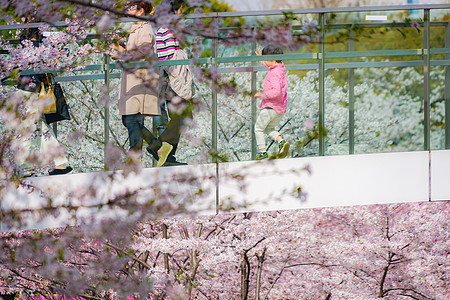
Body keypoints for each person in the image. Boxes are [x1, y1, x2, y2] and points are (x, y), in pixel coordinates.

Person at [114, 1, 170, 162]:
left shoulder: (145, 29)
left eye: (132, 8)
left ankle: (136, 156)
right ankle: (157, 147)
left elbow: (143, 51)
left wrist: (122, 55)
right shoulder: (136, 28)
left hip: (141, 80)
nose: (128, 11)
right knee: (129, 118)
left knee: (130, 118)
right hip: (134, 79)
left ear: (140, 11)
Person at [17, 27, 73, 176]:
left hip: (26, 92)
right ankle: (58, 163)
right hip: (35, 92)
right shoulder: (42, 47)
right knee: (37, 128)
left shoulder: (22, 47)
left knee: (29, 129)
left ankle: (26, 168)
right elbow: (59, 60)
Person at [254, 44, 290, 160]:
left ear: (271, 59)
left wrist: (262, 94)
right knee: (269, 129)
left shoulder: (274, 74)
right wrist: (262, 60)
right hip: (279, 109)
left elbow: (276, 92)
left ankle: (263, 152)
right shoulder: (280, 68)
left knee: (258, 128)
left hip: (270, 107)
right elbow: (270, 66)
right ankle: (282, 142)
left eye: (265, 59)